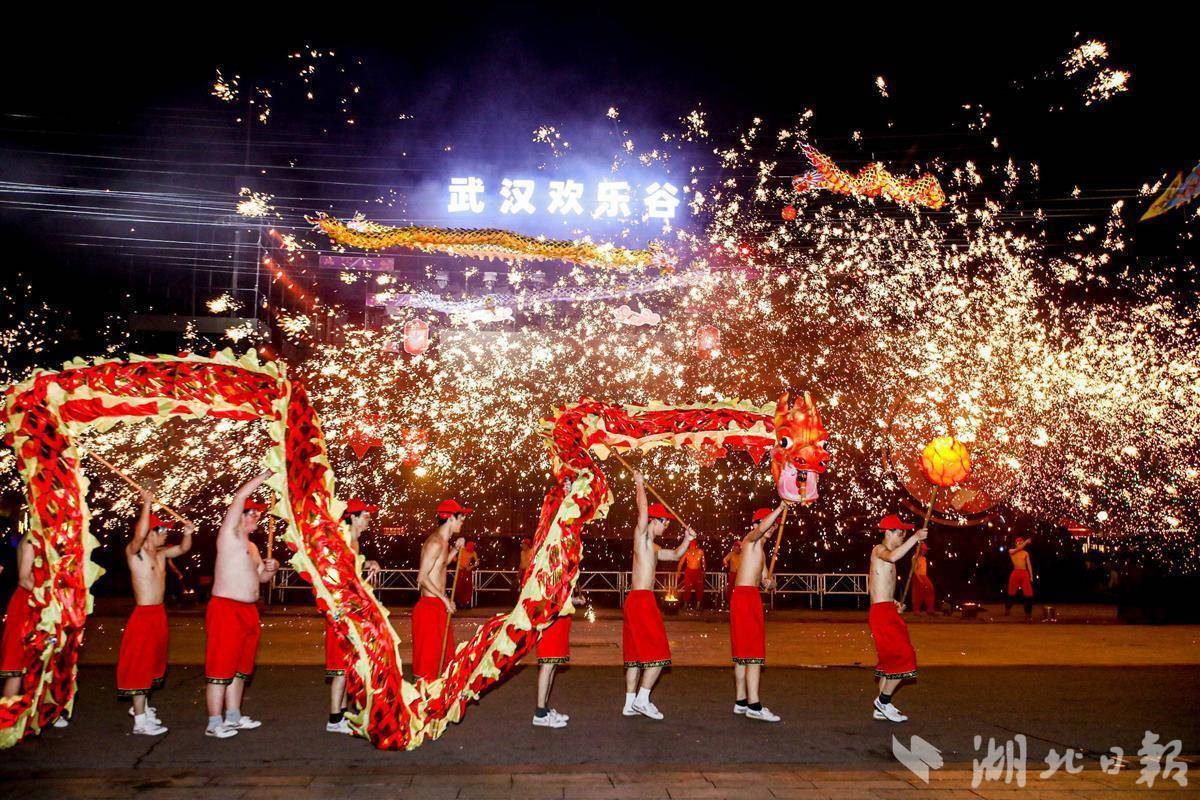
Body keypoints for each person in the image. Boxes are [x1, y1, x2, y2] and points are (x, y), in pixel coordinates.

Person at [204, 469, 277, 738]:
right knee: (220, 666)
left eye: (258, 513)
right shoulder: (229, 536)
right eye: (252, 512)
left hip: (249, 609)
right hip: (226, 608)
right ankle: (214, 722)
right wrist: (267, 474)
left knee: (241, 666)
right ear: (239, 516)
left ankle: (233, 716)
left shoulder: (253, 547)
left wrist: (272, 568)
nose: (257, 516)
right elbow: (239, 495)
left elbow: (261, 579)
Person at [118, 490, 194, 735]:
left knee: (151, 664)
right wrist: (147, 503)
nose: (166, 534)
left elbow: (183, 549)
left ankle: (143, 709)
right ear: (150, 532)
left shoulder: (161, 554)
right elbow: (139, 535)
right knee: (140, 664)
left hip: (158, 614)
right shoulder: (135, 552)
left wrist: (188, 534)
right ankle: (140, 721)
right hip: (143, 615)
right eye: (161, 530)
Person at [623, 471, 694, 720]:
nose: (666, 526)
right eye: (664, 522)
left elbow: (675, 555)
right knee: (659, 654)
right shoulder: (641, 536)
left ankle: (629, 703)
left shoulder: (652, 547)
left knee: (634, 657)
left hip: (637, 600)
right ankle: (643, 699)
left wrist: (687, 540)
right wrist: (639, 484)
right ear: (654, 521)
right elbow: (642, 509)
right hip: (641, 600)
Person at [325, 498, 382, 734]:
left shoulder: (355, 542)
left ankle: (343, 714)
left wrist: (367, 563)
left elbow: (352, 571)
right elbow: (334, 572)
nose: (369, 519)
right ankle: (334, 718)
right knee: (341, 666)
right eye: (366, 515)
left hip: (351, 609)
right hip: (342, 610)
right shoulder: (345, 539)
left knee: (350, 665)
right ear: (354, 517)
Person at [731, 505, 791, 722]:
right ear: (756, 525)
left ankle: (740, 701)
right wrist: (782, 506)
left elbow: (767, 581)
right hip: (745, 598)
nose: (771, 528)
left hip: (750, 597)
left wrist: (769, 582)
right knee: (753, 654)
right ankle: (754, 706)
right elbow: (762, 527)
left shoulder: (762, 552)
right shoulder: (750, 540)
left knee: (742, 654)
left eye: (774, 526)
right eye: (767, 524)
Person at [868, 514, 928, 723]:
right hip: (881, 614)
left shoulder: (885, 554)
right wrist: (915, 539)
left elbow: (875, 587)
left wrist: (892, 602)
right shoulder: (880, 550)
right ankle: (883, 701)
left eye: (905, 532)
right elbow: (893, 557)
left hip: (885, 610)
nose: (903, 535)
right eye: (900, 532)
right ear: (888, 532)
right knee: (904, 656)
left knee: (889, 662)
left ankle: (880, 707)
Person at [412, 499, 469, 680]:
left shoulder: (444, 543)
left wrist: (455, 550)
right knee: (428, 665)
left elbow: (440, 565)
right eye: (461, 518)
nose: (462, 522)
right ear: (451, 518)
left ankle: (437, 706)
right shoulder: (435, 542)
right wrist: (444, 599)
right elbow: (421, 578)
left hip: (438, 606)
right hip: (429, 607)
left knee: (443, 662)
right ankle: (421, 705)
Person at [532, 592, 585, 728]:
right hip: (550, 618)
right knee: (547, 664)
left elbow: (559, 596)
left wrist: (573, 600)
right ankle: (540, 714)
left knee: (552, 665)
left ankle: (544, 708)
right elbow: (548, 596)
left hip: (559, 616)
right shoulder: (546, 570)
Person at [1, 532, 35, 700]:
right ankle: (6, 717)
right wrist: (48, 594)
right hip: (26, 605)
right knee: (17, 665)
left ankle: (41, 713)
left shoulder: (39, 537)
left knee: (39, 663)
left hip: (36, 604)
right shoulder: (30, 539)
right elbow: (23, 578)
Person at [1005, 536, 1035, 620]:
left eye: (1021, 543)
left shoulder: (1025, 553)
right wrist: (1025, 542)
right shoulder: (1011, 551)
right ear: (1016, 544)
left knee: (1029, 594)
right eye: (1019, 543)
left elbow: (1029, 565)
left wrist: (1031, 575)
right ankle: (1007, 609)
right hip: (1015, 573)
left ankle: (1028, 614)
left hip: (1024, 573)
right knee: (1011, 593)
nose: (1021, 544)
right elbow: (1018, 549)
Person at [675, 540, 706, 611]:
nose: (692, 548)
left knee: (699, 588)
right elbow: (681, 562)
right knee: (687, 588)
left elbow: (703, 562)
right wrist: (678, 572)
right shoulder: (687, 552)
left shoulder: (700, 552)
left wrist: (704, 570)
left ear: (696, 546)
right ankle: (685, 605)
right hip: (689, 572)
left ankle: (698, 605)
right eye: (691, 546)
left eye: (693, 546)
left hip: (698, 572)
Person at [911, 543, 936, 614]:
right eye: (923, 550)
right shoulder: (915, 558)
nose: (925, 551)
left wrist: (925, 579)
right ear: (920, 550)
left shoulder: (923, 558)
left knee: (930, 589)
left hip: (924, 576)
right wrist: (919, 579)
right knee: (918, 593)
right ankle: (916, 610)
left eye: (925, 550)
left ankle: (930, 609)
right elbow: (915, 570)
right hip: (917, 576)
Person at [454, 541, 478, 610]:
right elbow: (455, 558)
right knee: (459, 587)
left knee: (468, 587)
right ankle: (458, 603)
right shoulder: (462, 550)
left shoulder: (473, 553)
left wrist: (471, 566)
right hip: (460, 571)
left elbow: (477, 562)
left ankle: (465, 603)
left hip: (467, 572)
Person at [722, 540, 743, 608]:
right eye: (735, 547)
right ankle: (729, 602)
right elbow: (725, 559)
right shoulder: (731, 554)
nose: (736, 549)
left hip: (740, 574)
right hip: (732, 573)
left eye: (737, 547)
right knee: (730, 589)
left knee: (740, 589)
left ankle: (739, 603)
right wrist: (726, 563)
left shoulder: (743, 554)